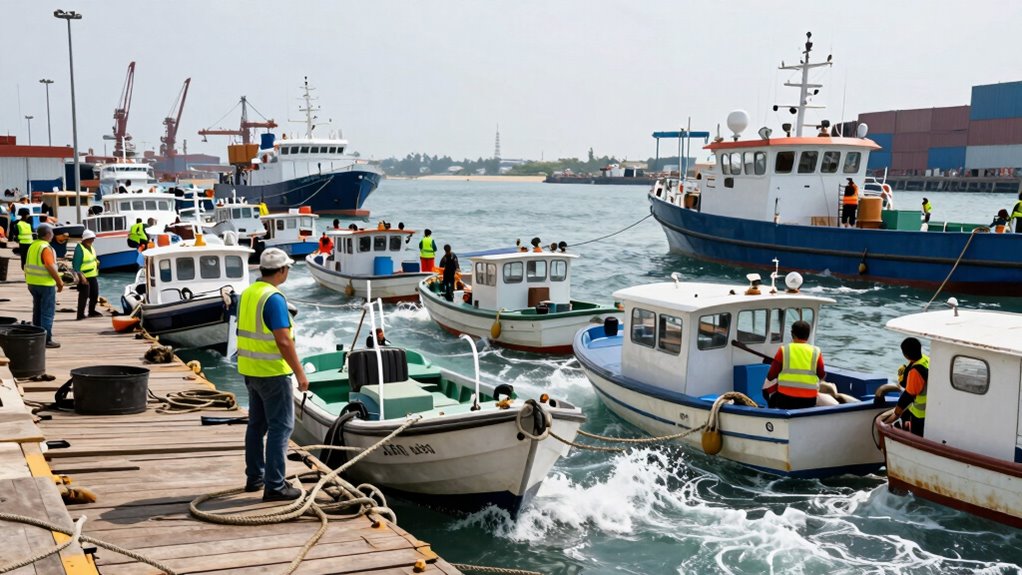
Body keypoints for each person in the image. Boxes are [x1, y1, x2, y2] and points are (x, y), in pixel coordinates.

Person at [237, 248, 309, 502]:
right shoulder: (274, 298)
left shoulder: (247, 293)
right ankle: (275, 486)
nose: (287, 271)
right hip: (272, 373)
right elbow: (284, 341)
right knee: (281, 427)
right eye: (287, 268)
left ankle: (255, 477)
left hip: (250, 370)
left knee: (257, 425)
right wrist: (300, 374)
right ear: (281, 271)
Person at [763, 320, 825, 409]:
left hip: (785, 398)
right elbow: (821, 374)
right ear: (808, 334)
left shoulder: (784, 350)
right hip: (809, 399)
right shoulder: (816, 351)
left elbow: (771, 375)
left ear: (792, 334)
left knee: (771, 399)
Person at [24, 223, 64, 349]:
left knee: (37, 310)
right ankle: (46, 340)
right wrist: (59, 281)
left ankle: (36, 336)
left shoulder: (33, 246)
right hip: (45, 284)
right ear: (47, 234)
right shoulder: (45, 247)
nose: (53, 235)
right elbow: (49, 266)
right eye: (51, 232)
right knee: (47, 312)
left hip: (32, 283)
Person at [893, 337, 928, 437]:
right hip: (930, 408)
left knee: (917, 438)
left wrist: (897, 412)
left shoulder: (915, 371)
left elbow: (908, 395)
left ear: (905, 355)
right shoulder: (925, 360)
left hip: (920, 414)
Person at [73, 230, 101, 320]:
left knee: (94, 294)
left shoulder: (91, 247)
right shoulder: (79, 249)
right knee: (84, 295)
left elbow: (92, 258)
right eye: (91, 239)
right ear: (85, 239)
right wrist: (81, 276)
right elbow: (76, 265)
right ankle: (80, 314)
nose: (92, 240)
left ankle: (91, 311)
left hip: (92, 275)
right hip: (84, 276)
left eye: (93, 239)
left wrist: (97, 262)